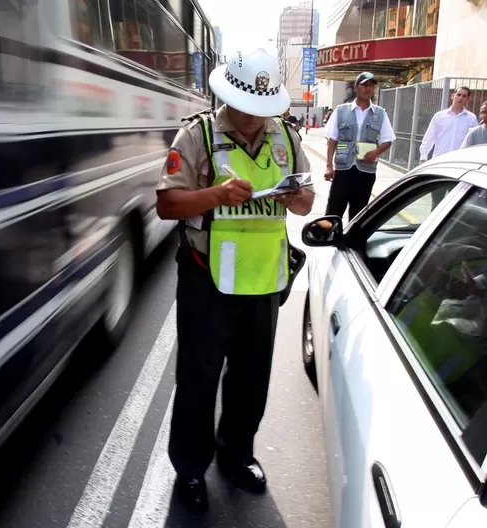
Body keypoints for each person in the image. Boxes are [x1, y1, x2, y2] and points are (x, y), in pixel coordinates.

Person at [155, 48, 314, 512]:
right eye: (249, 109)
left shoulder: (286, 137)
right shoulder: (198, 134)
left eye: (265, 110)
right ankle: (189, 468)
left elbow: (305, 204)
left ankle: (236, 455)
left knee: (251, 378)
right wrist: (214, 195)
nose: (255, 119)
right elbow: (167, 205)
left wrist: (294, 198)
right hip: (207, 280)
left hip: (264, 278)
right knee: (198, 379)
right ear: (230, 97)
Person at [323, 72, 395, 221]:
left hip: (365, 171)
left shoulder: (380, 114)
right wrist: (329, 165)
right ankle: (329, 240)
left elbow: (388, 140)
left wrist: (376, 152)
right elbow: (332, 139)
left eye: (371, 86)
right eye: (365, 85)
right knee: (334, 210)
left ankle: (352, 243)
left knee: (359, 213)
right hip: (343, 170)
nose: (368, 89)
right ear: (356, 87)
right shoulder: (341, 111)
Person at [418, 86, 478, 162]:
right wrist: (423, 157)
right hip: (439, 159)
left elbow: (475, 140)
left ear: (468, 99)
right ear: (453, 96)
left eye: (464, 96)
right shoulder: (439, 116)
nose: (460, 98)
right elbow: (429, 137)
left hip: (460, 161)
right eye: (458, 94)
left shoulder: (471, 118)